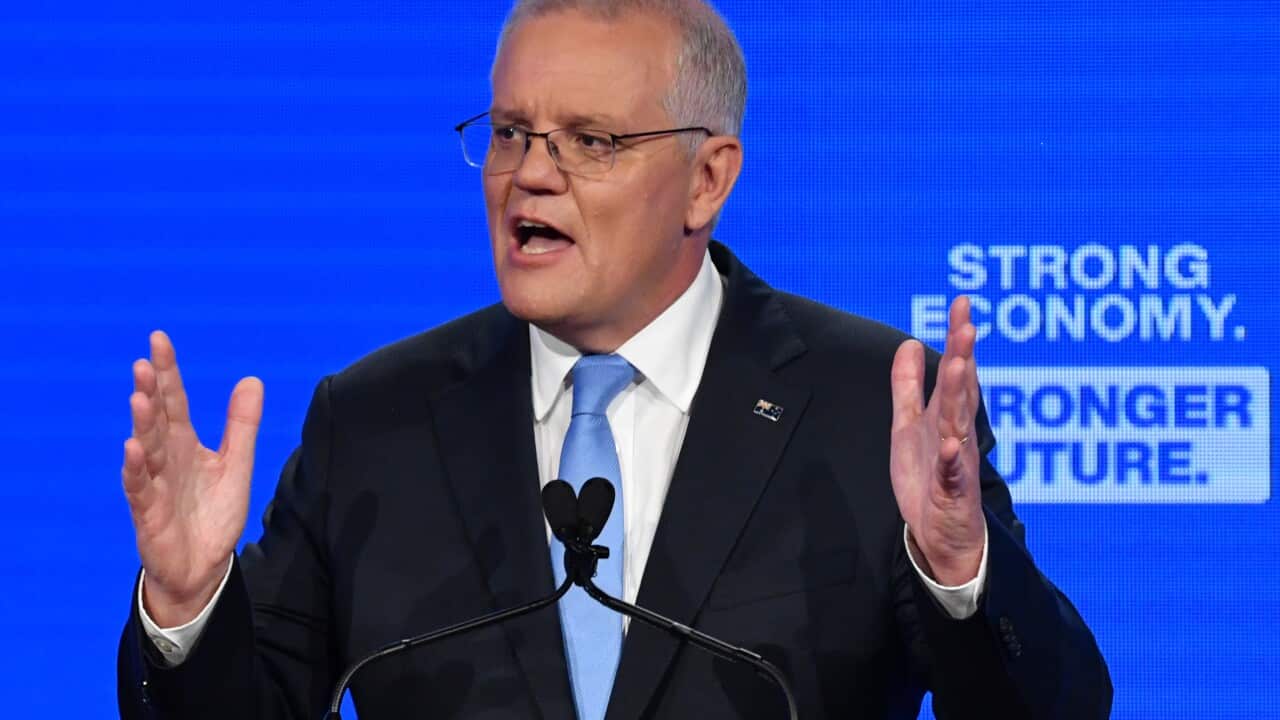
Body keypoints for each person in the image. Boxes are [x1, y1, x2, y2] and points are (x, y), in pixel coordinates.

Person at [117, 1, 1112, 718]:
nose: (528, 176)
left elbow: (1050, 710)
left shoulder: (863, 404)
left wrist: (956, 572)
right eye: (509, 133)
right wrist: (188, 604)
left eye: (590, 141)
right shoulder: (375, 421)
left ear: (706, 179)